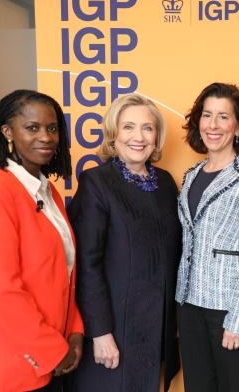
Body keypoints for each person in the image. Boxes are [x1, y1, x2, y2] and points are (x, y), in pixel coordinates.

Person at [0, 89, 83, 392]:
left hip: (53, 357)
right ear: (8, 132)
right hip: (10, 365)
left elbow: (62, 275)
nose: (46, 136)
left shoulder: (48, 192)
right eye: (32, 128)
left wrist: (75, 330)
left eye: (52, 128)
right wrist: (52, 351)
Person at [65, 94, 181, 392]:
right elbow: (86, 265)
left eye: (147, 128)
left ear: (157, 137)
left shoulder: (167, 183)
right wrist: (100, 332)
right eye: (128, 127)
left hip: (156, 331)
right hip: (115, 329)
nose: (138, 137)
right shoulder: (96, 183)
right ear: (114, 135)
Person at [175, 82, 239, 392]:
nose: (213, 125)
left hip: (230, 308)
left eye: (223, 117)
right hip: (189, 305)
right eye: (206, 115)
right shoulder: (191, 175)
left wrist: (238, 319)